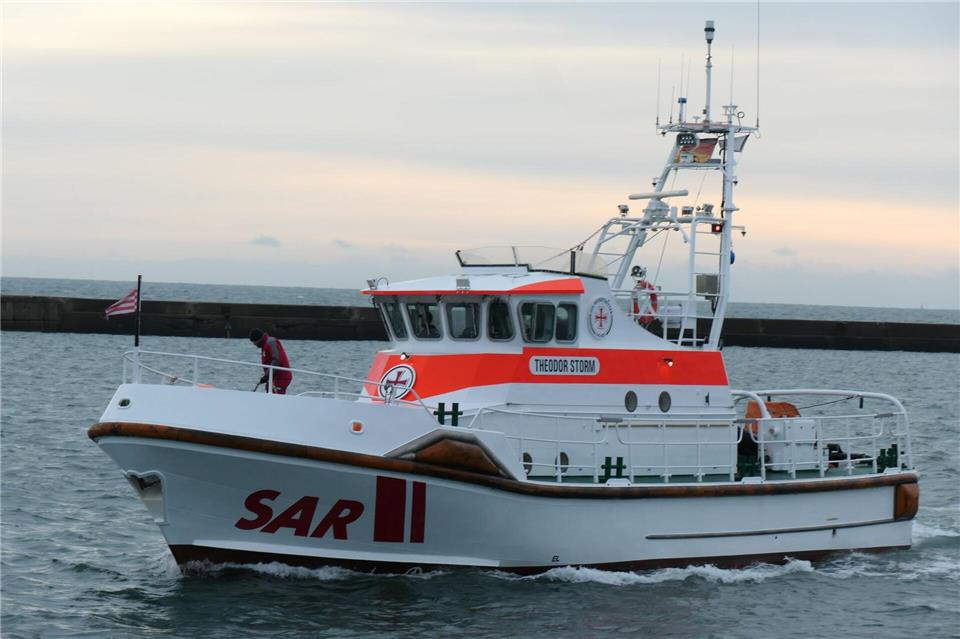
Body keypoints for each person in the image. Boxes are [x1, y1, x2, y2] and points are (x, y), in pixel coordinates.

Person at [249, 328, 293, 394]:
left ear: (258, 339)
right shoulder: (264, 344)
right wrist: (267, 376)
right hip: (273, 377)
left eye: (254, 342)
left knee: (276, 394)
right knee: (269, 391)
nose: (254, 344)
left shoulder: (270, 342)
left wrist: (266, 376)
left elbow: (276, 360)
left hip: (281, 377)